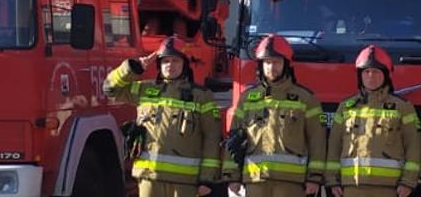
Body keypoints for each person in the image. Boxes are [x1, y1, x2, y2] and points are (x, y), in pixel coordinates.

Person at [104, 37, 225, 197]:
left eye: (175, 61)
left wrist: (207, 179)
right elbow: (110, 89)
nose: (170, 65)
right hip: (149, 177)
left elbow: (212, 137)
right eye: (165, 61)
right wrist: (135, 67)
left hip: (185, 181)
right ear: (159, 65)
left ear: (185, 65)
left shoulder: (201, 96)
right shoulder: (146, 89)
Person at [229, 35, 327, 197]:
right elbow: (233, 141)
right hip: (255, 180)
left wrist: (314, 177)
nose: (271, 67)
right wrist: (231, 176)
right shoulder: (247, 98)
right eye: (267, 62)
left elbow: (317, 141)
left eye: (276, 62)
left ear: (286, 64)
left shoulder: (306, 99)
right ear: (261, 64)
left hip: (291, 183)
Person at [330, 45, 421, 197]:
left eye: (375, 72)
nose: (370, 76)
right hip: (351, 187)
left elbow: (414, 146)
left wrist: (408, 181)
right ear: (360, 75)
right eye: (366, 72)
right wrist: (332, 180)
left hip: (390, 189)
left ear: (386, 75)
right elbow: (334, 146)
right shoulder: (345, 107)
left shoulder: (403, 107)